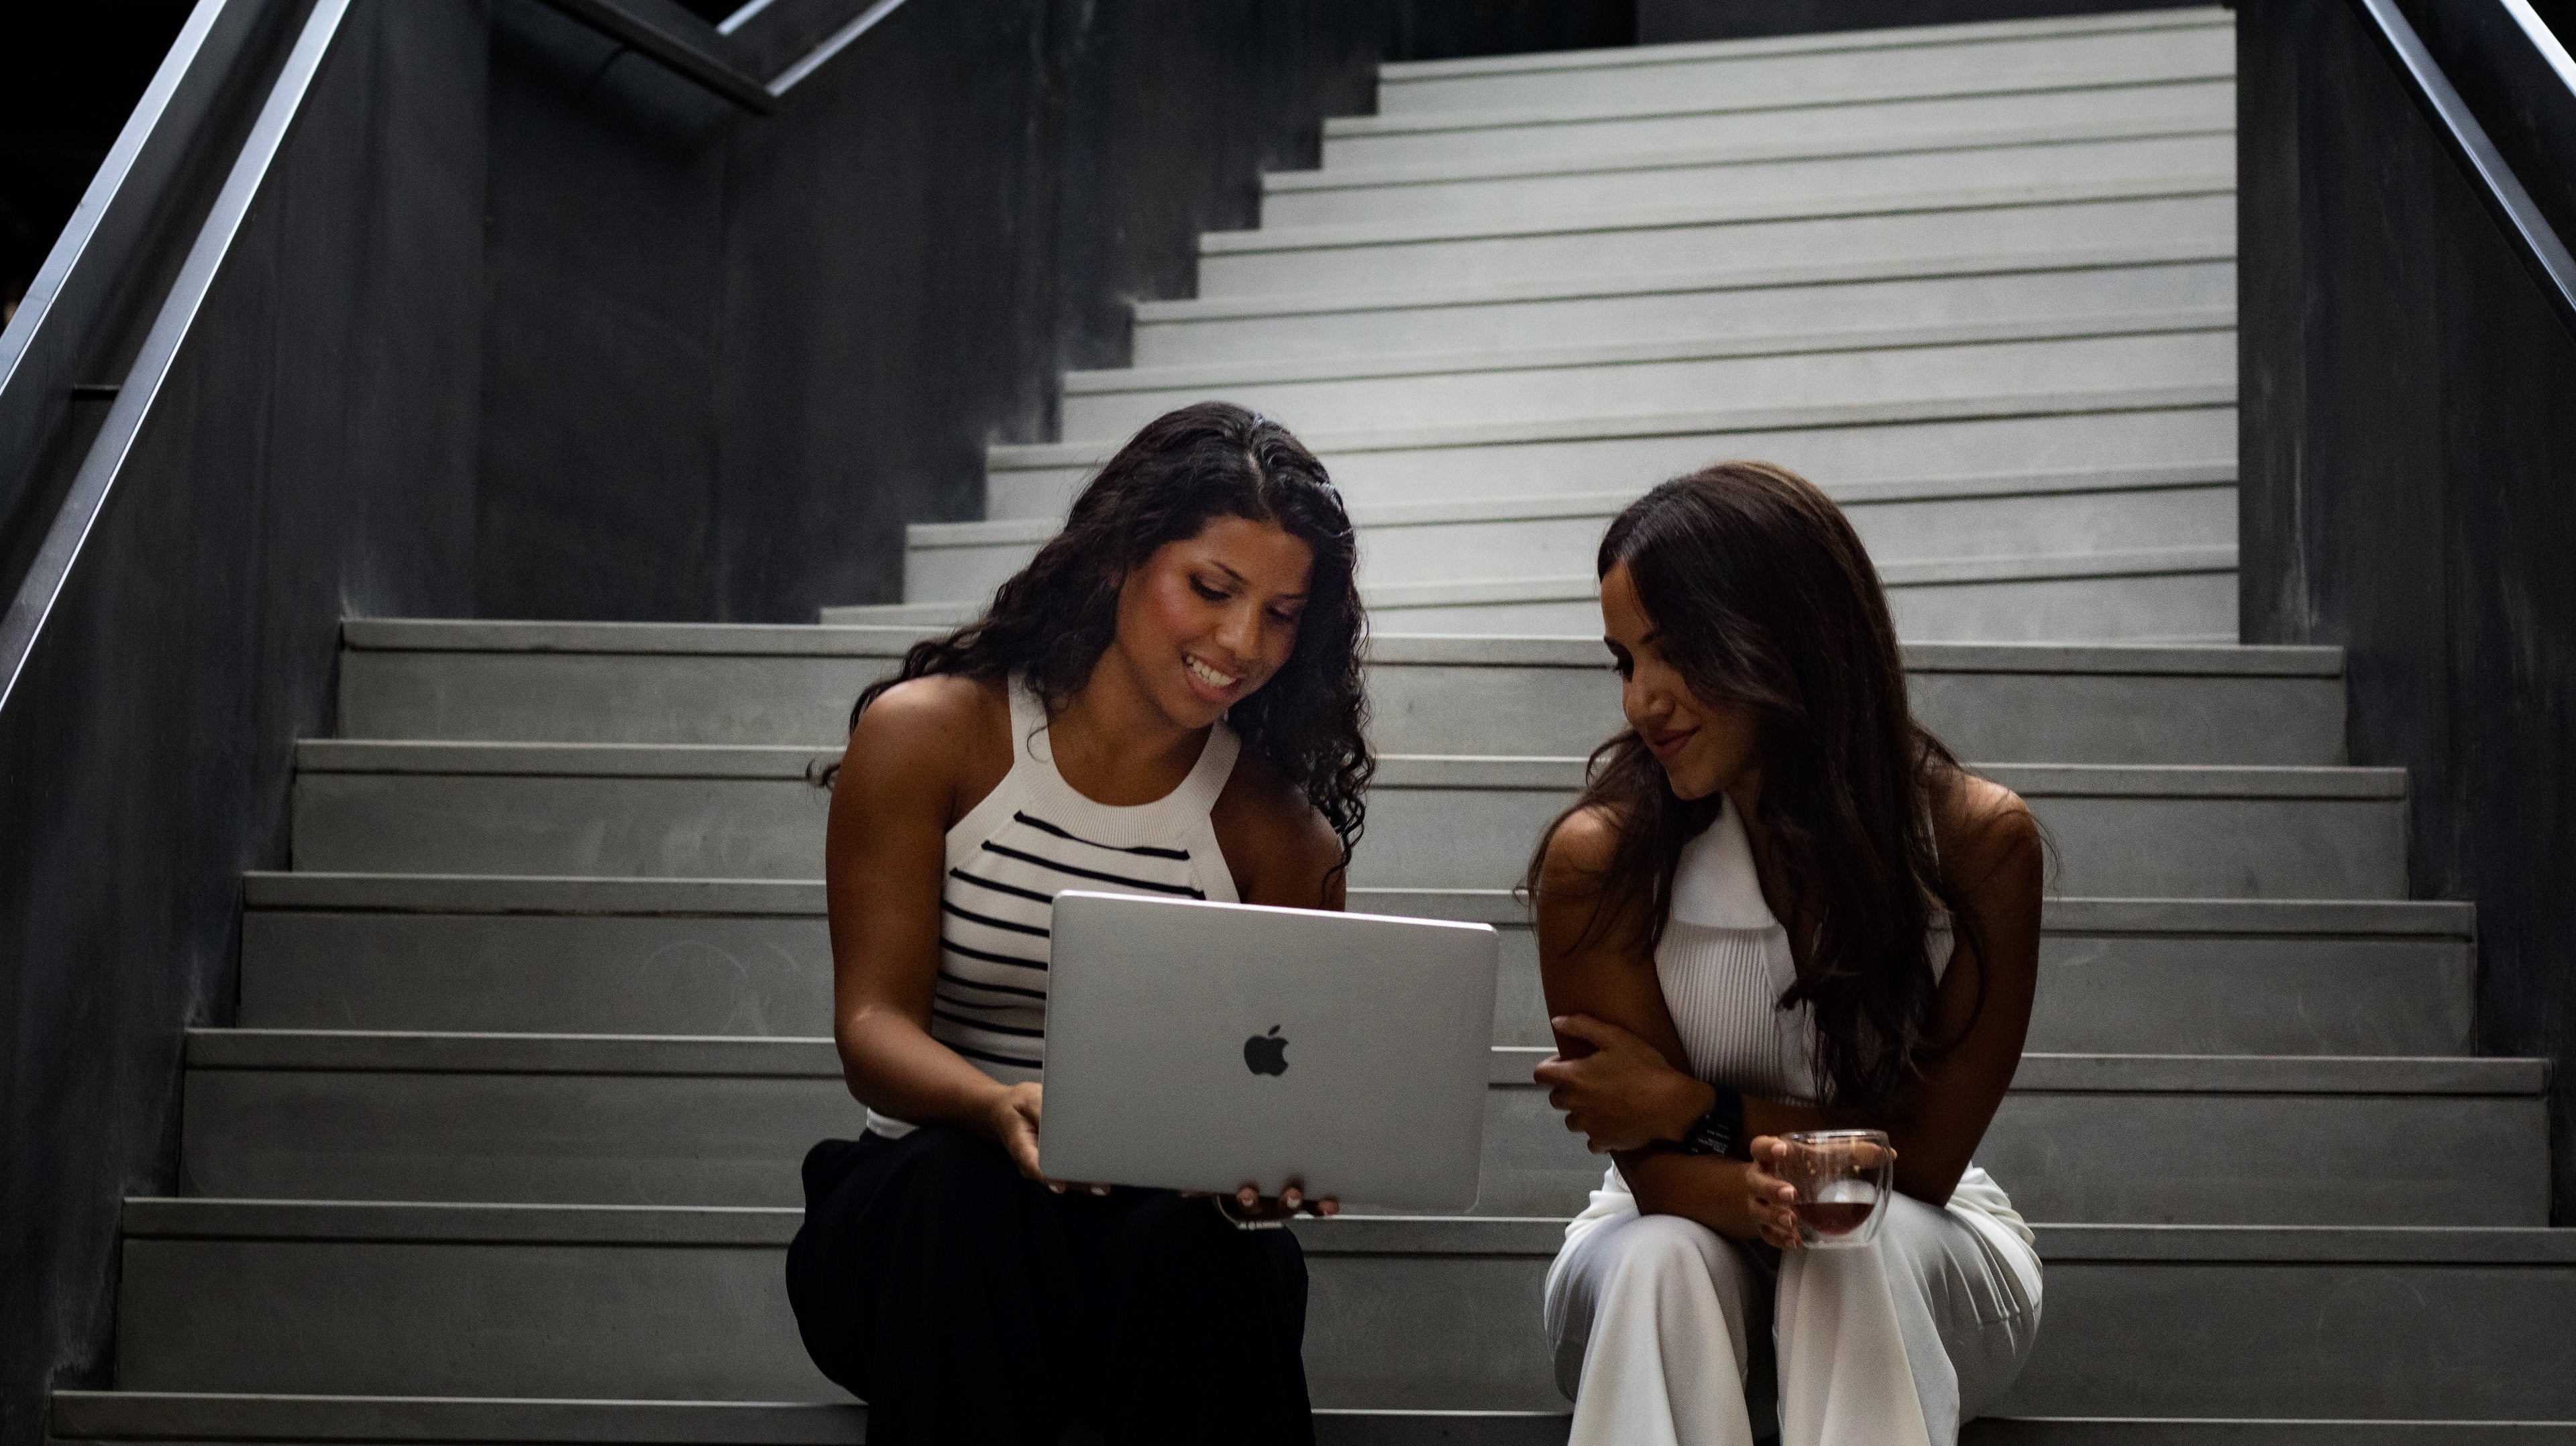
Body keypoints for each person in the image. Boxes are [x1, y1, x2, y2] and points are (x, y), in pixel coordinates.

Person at [784, 402, 1373, 1445]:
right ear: (1117, 560)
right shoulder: (933, 737)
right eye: (1211, 589)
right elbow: (871, 1029)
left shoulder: (1282, 839)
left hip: (1140, 1262)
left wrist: (1269, 1172)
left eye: (1283, 614)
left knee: (1213, 1250)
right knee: (960, 1191)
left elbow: (1278, 1093)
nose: (1242, 642)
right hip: (921, 1238)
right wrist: (1001, 1107)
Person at [1526, 461, 2045, 1446]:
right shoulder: (1600, 862)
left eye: (1675, 653)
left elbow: (1923, 1163)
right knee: (1657, 1262)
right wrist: (1744, 1183)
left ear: (1789, 635)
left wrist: (1696, 1110)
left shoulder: (1978, 843)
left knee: (1850, 1232)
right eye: (1625, 661)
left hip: (1920, 1253)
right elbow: (1654, 1176)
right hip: (1665, 1237)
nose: (1643, 701)